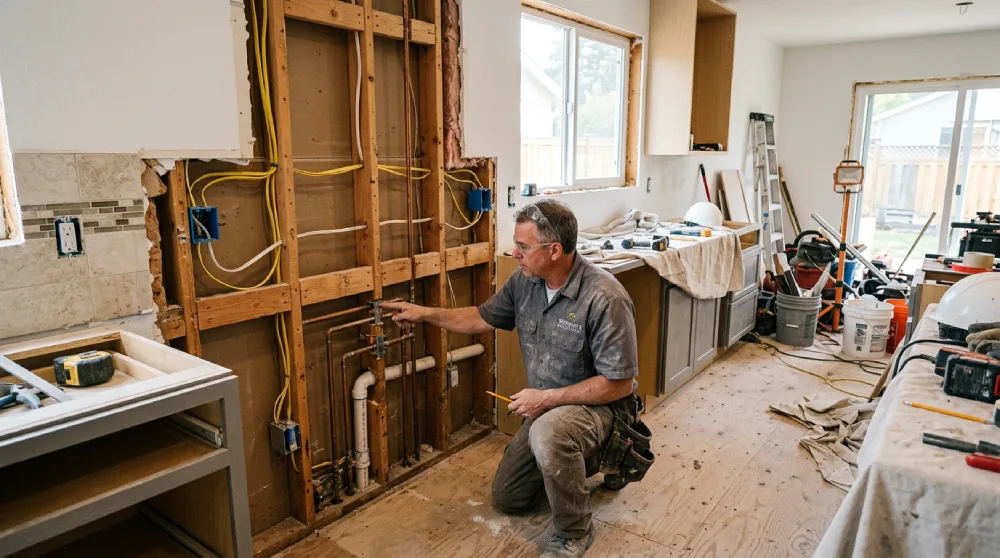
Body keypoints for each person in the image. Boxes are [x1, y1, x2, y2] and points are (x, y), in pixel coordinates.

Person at [383, 199, 640, 558]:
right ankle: (576, 461)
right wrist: (425, 314)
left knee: (548, 434)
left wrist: (547, 400)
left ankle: (575, 532)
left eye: (522, 246)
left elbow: (620, 383)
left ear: (554, 250)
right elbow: (480, 318)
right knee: (510, 498)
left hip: (600, 410)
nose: (514, 252)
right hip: (547, 412)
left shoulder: (604, 296)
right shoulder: (525, 282)